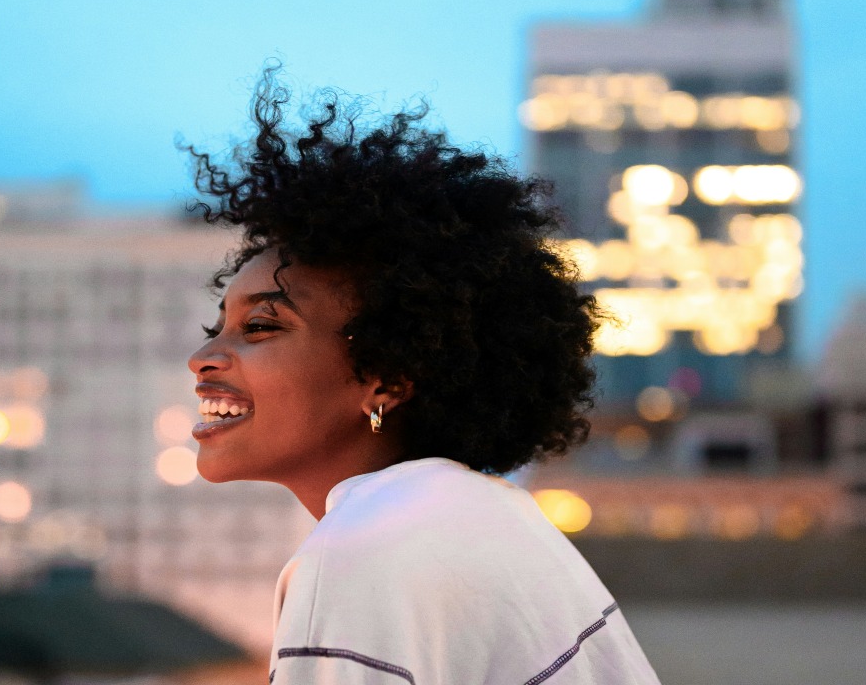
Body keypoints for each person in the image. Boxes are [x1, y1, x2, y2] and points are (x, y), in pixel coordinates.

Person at [185, 67, 661, 684]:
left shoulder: (361, 554)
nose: (203, 360)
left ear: (385, 377)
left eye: (261, 327)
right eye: (216, 328)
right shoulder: (490, 517)